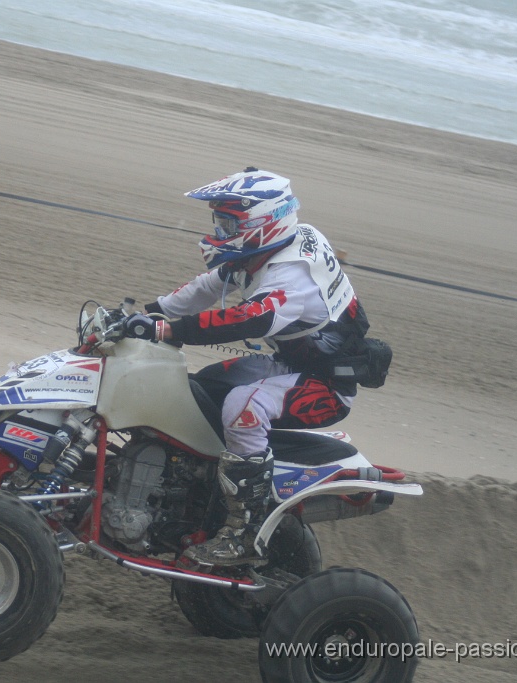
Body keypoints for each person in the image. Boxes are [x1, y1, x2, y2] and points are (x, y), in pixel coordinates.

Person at [122, 168, 387, 566]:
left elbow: (250, 320)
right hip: (294, 364)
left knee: (242, 409)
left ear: (261, 223)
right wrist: (139, 317)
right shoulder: (270, 249)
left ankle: (244, 532)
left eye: (228, 222)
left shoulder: (292, 274)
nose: (220, 229)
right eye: (219, 220)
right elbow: (205, 288)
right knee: (205, 387)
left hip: (327, 386)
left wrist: (164, 329)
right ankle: (195, 494)